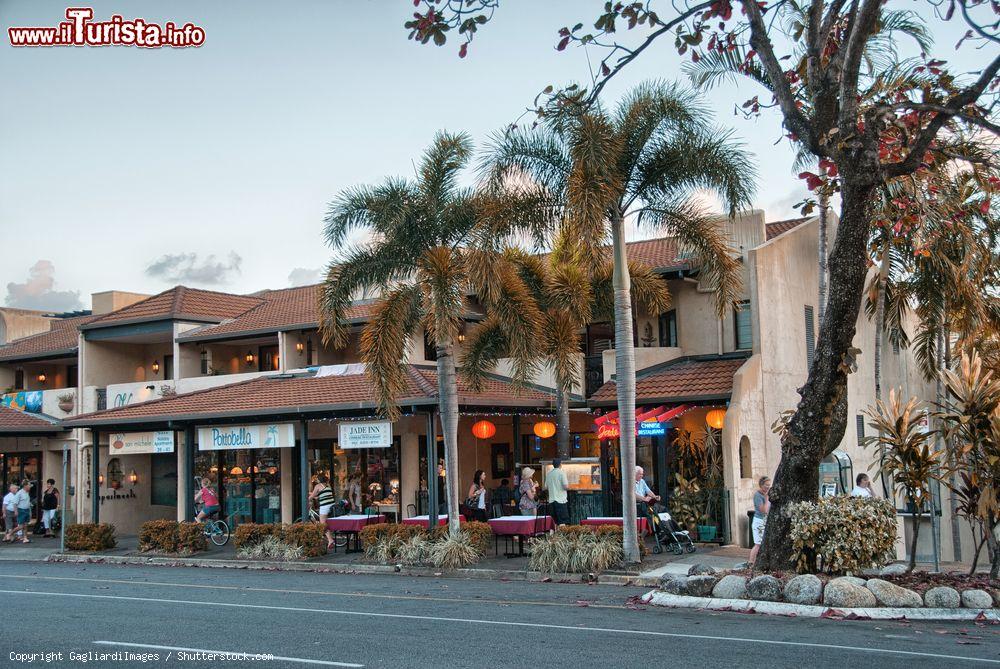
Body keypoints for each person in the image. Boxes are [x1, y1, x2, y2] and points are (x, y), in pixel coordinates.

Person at [309, 473, 338, 549]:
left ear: (319, 479)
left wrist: (305, 499)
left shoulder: (318, 486)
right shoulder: (328, 486)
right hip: (331, 505)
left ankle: (330, 540)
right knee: (325, 522)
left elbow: (312, 496)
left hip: (325, 506)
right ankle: (328, 537)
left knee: (322, 524)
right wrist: (315, 496)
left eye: (317, 479)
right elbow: (321, 495)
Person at [748, 476, 771, 568]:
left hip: (765, 521)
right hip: (759, 522)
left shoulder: (767, 495)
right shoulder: (758, 496)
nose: (768, 488)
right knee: (758, 544)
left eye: (769, 485)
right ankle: (751, 562)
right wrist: (766, 499)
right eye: (766, 485)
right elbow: (764, 510)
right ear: (761, 485)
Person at [544, 458, 569, 526]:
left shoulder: (549, 474)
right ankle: (561, 536)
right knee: (562, 521)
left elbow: (545, 487)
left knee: (554, 521)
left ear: (553, 465)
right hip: (561, 500)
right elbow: (565, 486)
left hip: (551, 500)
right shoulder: (562, 473)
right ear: (560, 464)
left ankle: (553, 536)